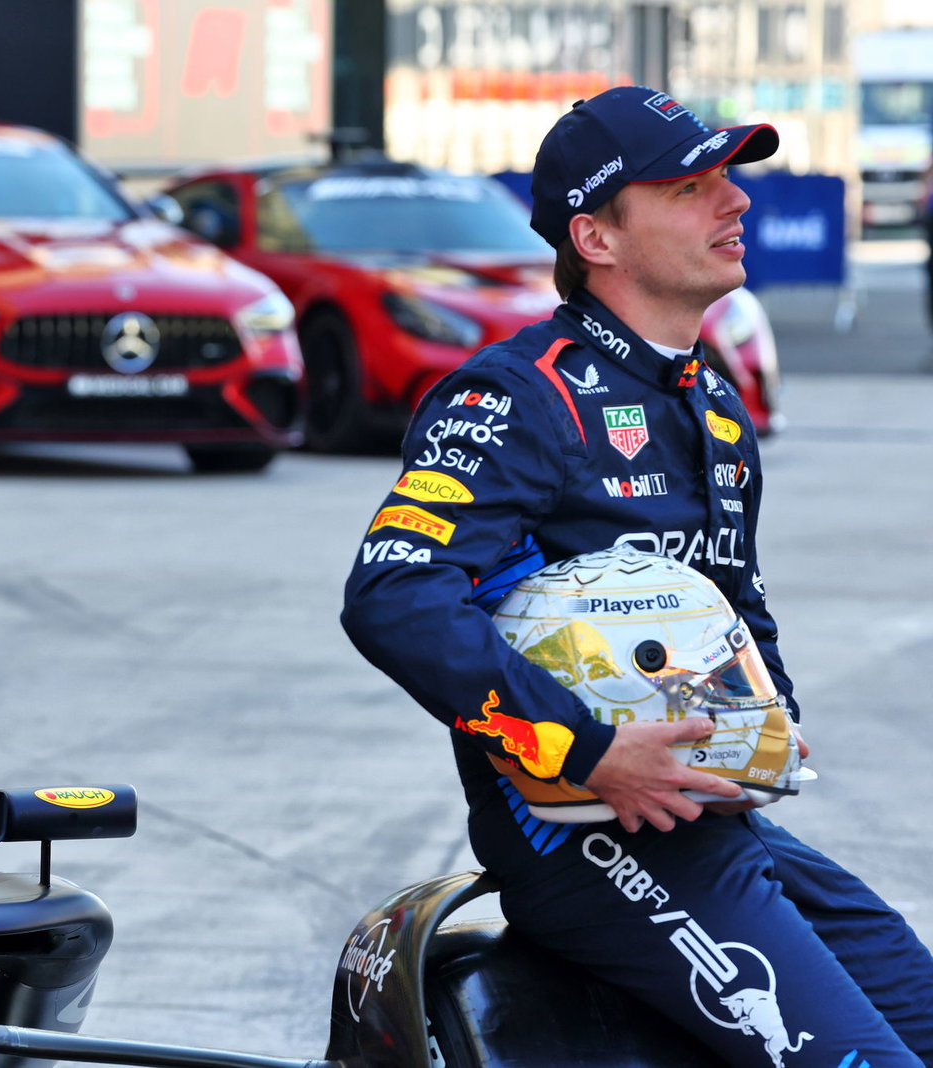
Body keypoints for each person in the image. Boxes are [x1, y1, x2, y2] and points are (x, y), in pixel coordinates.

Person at [341, 86, 933, 1065]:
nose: (735, 201)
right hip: (582, 840)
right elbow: (394, 595)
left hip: (718, 828)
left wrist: (768, 730)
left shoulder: (713, 402)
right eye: (689, 185)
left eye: (729, 179)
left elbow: (735, 601)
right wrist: (580, 749)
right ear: (597, 236)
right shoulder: (516, 396)